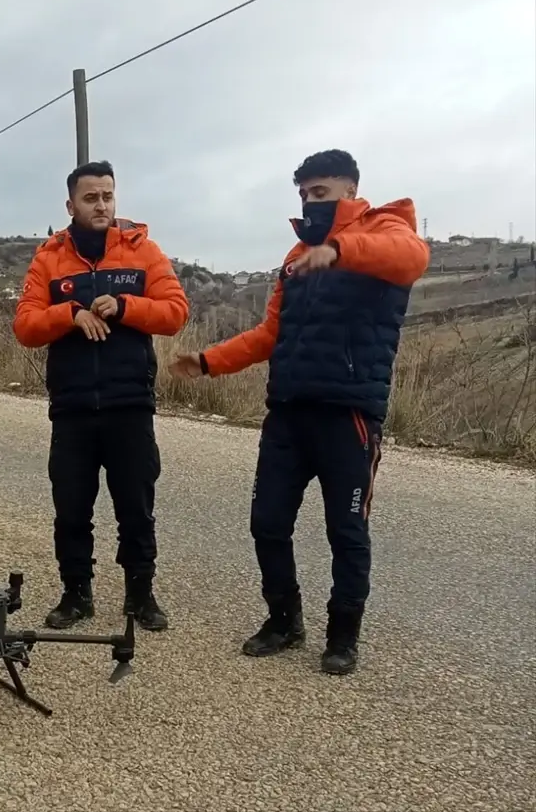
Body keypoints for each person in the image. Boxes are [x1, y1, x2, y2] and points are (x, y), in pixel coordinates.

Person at [169, 149, 429, 675]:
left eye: (322, 193)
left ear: (350, 192)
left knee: (346, 532)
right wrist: (208, 361)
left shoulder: (388, 230)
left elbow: (411, 258)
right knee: (267, 523)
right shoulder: (295, 257)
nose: (312, 203)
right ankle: (284, 621)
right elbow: (271, 333)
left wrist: (338, 248)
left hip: (348, 416)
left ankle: (343, 637)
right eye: (305, 195)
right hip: (287, 414)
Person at [13, 160, 189, 631]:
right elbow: (26, 326)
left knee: (136, 507)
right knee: (71, 508)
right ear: (70, 205)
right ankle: (75, 595)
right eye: (91, 198)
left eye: (108, 196)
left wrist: (127, 306)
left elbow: (175, 312)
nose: (102, 205)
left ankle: (141, 595)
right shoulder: (49, 258)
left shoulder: (141, 250)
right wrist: (69, 314)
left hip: (129, 405)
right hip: (71, 409)